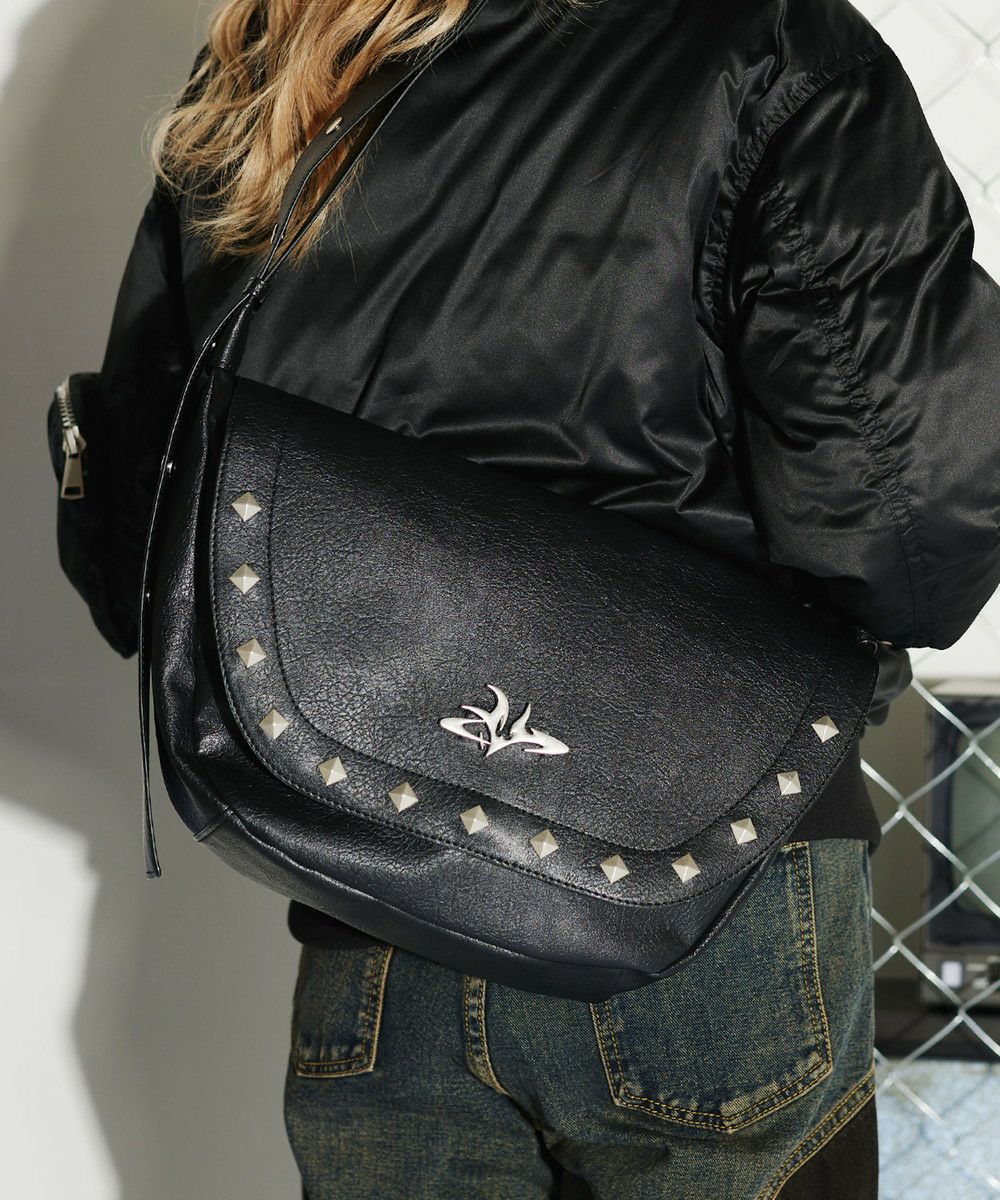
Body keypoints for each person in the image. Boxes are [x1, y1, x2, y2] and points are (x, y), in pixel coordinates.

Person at [54, 0, 1000, 1196]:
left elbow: (139, 530)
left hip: (370, 885)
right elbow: (911, 535)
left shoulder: (287, 50)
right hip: (711, 878)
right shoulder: (767, 43)